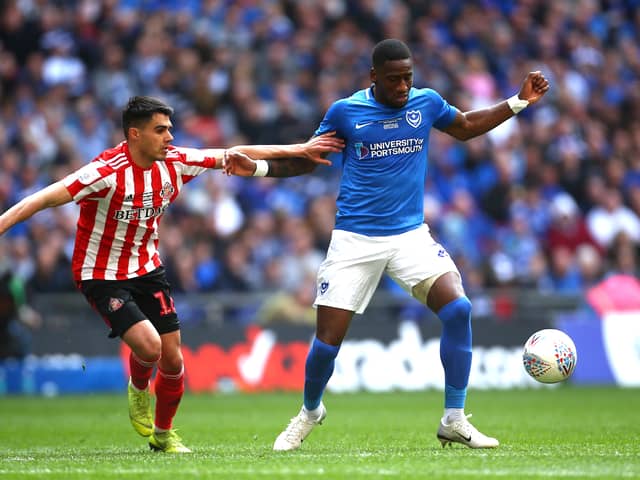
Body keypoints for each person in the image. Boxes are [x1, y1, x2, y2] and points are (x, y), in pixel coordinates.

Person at [225, 39, 549, 450]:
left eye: (407, 78)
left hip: (409, 235)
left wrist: (517, 102)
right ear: (373, 76)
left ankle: (454, 417)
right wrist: (256, 168)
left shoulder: (425, 103)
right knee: (326, 344)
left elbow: (465, 127)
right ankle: (309, 411)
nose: (402, 87)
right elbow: (308, 159)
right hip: (355, 239)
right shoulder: (346, 112)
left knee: (459, 308)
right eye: (393, 79)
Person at [0, 96, 343, 453]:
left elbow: (236, 152)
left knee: (173, 358)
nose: (169, 137)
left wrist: (300, 148)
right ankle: (137, 390)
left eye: (170, 129)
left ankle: (163, 435)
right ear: (135, 134)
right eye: (160, 130)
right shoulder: (103, 172)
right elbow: (36, 200)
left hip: (147, 268)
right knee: (148, 347)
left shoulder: (176, 161)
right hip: (100, 273)